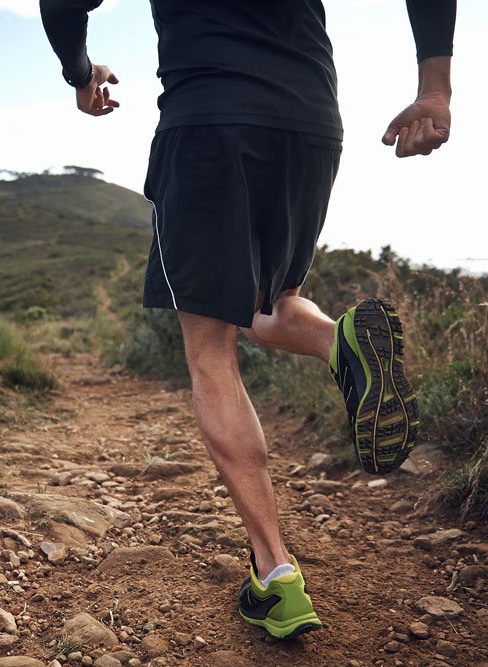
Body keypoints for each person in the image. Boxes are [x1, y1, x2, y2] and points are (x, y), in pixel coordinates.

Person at [39, 0, 456, 640]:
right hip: (310, 119)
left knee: (209, 350)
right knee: (272, 302)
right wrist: (434, 90)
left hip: (208, 122)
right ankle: (338, 340)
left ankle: (275, 572)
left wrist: (80, 72)